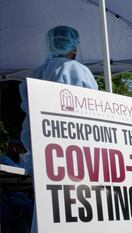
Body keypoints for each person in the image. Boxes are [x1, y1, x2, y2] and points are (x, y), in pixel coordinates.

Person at [18, 25, 98, 233]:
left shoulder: (35, 76)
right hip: (78, 160)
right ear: (75, 48)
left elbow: (29, 127)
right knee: (79, 215)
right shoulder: (80, 72)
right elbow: (96, 118)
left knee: (47, 215)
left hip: (45, 159)